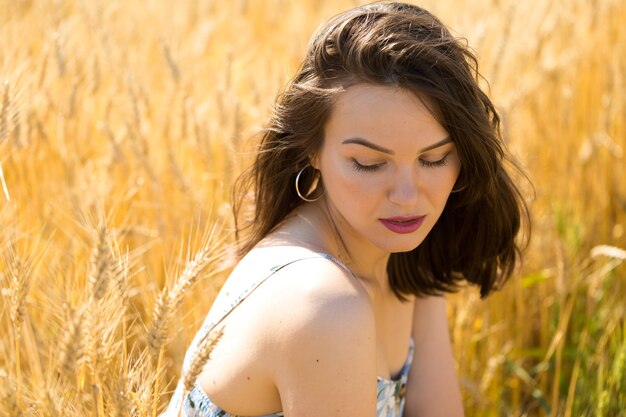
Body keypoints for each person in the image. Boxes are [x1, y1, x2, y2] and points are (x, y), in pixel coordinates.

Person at [161, 2, 529, 416]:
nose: (408, 196)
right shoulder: (322, 303)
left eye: (434, 159)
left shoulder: (403, 251)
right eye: (369, 164)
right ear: (311, 151)